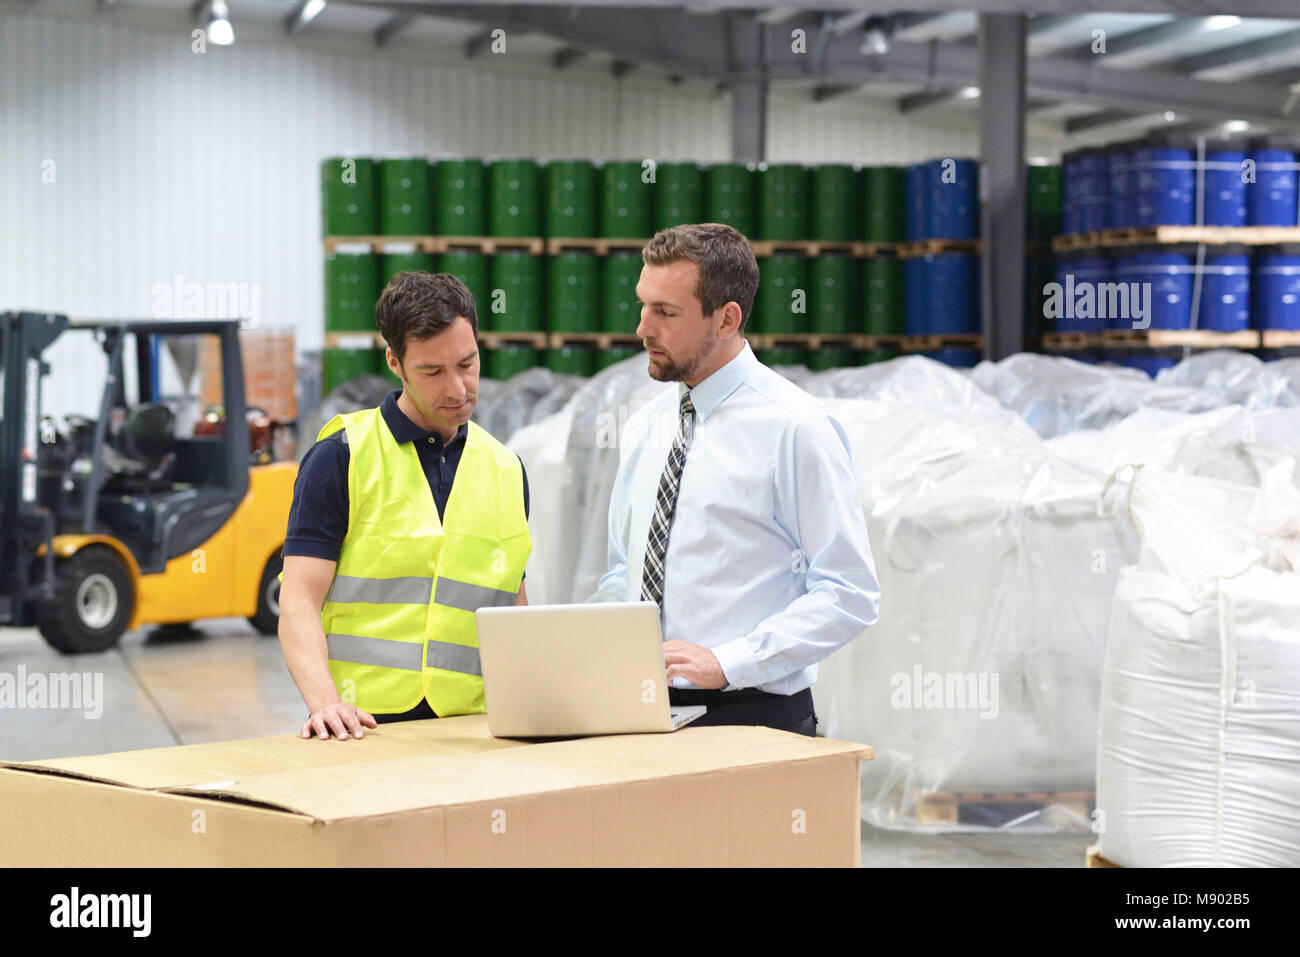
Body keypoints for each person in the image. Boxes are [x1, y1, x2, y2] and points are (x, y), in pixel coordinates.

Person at [589, 223, 879, 736]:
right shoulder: (644, 427)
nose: (642, 328)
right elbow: (624, 573)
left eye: (666, 313)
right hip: (640, 710)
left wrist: (730, 662)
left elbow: (849, 590)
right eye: (643, 305)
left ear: (727, 319)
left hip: (753, 718)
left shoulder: (795, 428)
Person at [279, 272, 531, 741]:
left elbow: (512, 601)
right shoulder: (341, 457)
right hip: (363, 725)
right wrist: (325, 703)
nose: (457, 388)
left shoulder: (506, 467)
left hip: (475, 728)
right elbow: (298, 599)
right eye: (432, 372)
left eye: (468, 364)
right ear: (395, 362)